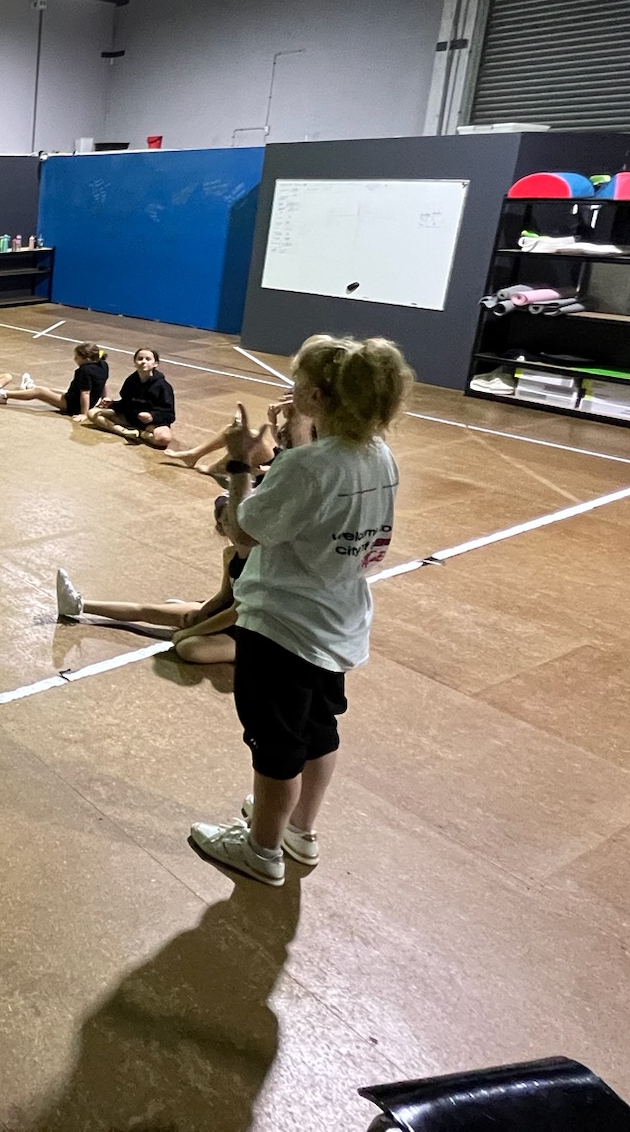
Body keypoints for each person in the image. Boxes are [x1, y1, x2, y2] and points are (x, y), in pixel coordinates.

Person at [188, 334, 410, 887]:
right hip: (338, 623)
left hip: (283, 628)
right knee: (319, 731)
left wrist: (240, 463)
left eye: (297, 384)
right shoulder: (379, 456)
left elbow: (243, 533)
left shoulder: (308, 468)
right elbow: (321, 487)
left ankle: (261, 850)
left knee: (276, 748)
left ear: (313, 396)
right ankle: (300, 831)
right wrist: (300, 438)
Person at [54, 495, 244, 666]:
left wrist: (191, 631)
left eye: (237, 521)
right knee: (148, 611)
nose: (233, 528)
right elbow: (224, 595)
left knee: (188, 648)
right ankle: (78, 604)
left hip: (248, 629)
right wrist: (203, 612)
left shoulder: (257, 559)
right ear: (220, 527)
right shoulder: (229, 554)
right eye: (226, 522)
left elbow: (237, 612)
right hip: (229, 612)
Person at [164, 392, 302, 479]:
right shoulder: (293, 424)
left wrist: (269, 471)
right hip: (278, 461)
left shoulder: (306, 430)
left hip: (282, 471)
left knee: (247, 442)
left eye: (286, 406)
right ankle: (194, 455)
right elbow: (283, 445)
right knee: (236, 430)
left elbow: (301, 464)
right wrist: (273, 421)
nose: (281, 408)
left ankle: (214, 468)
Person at [85, 347, 177, 447]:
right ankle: (124, 432)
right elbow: (126, 403)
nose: (143, 362)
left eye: (148, 359)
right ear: (135, 363)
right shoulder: (131, 381)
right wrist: (112, 404)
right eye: (140, 359)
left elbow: (170, 415)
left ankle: (141, 433)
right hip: (129, 418)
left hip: (151, 424)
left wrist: (152, 416)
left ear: (155, 363)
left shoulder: (163, 387)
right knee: (92, 413)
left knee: (164, 439)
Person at [7, 341, 110, 418]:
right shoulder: (103, 364)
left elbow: (85, 393)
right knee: (53, 391)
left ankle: (3, 394)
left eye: (77, 357)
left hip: (73, 405)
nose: (74, 359)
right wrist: (104, 398)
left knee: (39, 392)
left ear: (86, 359)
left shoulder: (84, 371)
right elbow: (103, 383)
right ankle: (30, 387)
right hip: (88, 401)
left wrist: (84, 414)